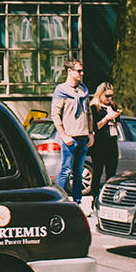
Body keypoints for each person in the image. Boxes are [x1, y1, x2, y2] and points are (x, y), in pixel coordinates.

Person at [51, 59, 94, 203]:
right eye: (79, 71)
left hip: (83, 137)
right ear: (70, 71)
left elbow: (88, 113)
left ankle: (77, 201)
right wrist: (64, 135)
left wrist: (91, 132)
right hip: (70, 138)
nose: (82, 73)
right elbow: (55, 114)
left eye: (82, 70)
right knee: (66, 170)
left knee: (78, 173)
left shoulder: (83, 90)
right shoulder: (61, 90)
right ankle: (61, 201)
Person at [89, 82, 121, 200]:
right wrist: (107, 118)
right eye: (107, 96)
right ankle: (95, 197)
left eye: (111, 96)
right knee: (97, 172)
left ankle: (108, 197)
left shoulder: (112, 106)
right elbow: (94, 127)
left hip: (112, 141)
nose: (109, 98)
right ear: (100, 94)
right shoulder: (95, 107)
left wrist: (116, 116)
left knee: (111, 173)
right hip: (100, 144)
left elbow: (118, 124)